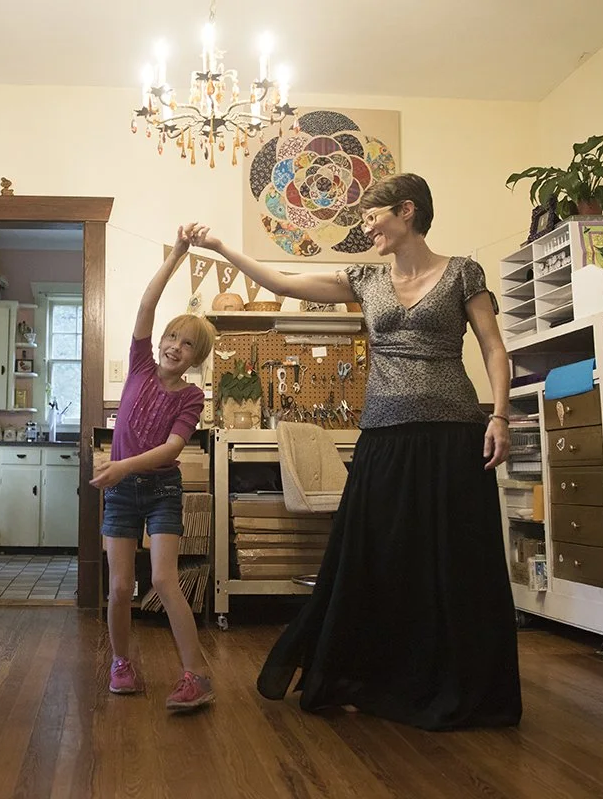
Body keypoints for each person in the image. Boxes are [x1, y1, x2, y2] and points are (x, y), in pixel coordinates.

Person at [188, 173, 522, 730]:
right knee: (375, 555)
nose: (366, 229)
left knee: (454, 559)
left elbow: (493, 346)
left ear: (407, 211)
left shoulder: (464, 272)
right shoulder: (365, 278)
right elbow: (285, 280)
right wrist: (224, 247)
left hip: (454, 433)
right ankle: (374, 674)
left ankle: (461, 683)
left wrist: (501, 416)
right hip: (385, 434)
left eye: (372, 217)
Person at [91, 224, 217, 712]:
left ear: (195, 359)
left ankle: (198, 675)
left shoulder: (191, 395)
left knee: (164, 581)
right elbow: (147, 302)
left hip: (162, 489)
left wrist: (122, 466)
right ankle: (121, 663)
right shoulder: (141, 364)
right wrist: (178, 254)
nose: (173, 346)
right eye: (171, 336)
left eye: (186, 345)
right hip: (123, 493)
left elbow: (171, 450)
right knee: (120, 586)